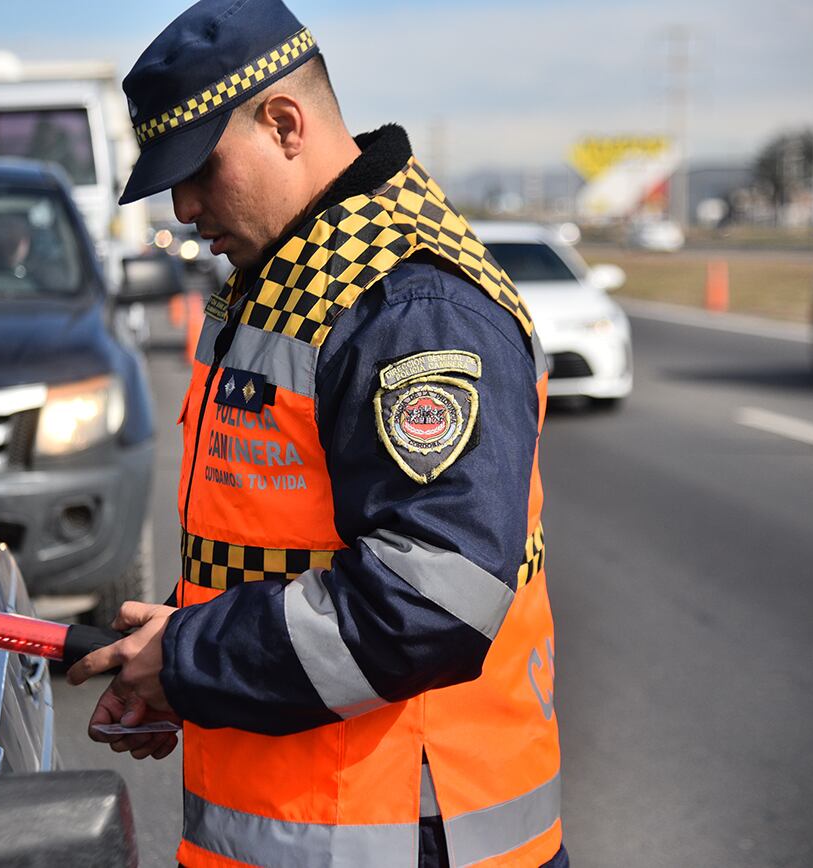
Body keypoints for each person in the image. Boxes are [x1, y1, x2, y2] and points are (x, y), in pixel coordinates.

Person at [67, 2, 566, 865]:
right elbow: (280, 554)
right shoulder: (284, 275)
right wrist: (179, 667)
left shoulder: (410, 307)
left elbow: (430, 601)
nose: (183, 208)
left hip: (405, 838)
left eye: (200, 169)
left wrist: (187, 658)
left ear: (285, 123)